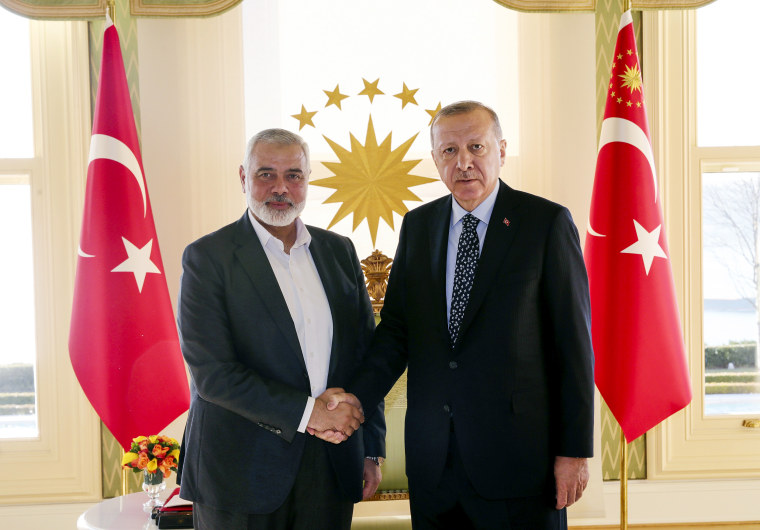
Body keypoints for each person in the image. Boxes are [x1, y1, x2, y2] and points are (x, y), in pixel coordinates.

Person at [322, 101, 594, 529]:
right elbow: (395, 334)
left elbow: (574, 347)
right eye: (449, 151)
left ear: (501, 150)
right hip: (434, 467)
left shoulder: (545, 224)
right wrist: (354, 398)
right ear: (435, 159)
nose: (464, 163)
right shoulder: (418, 227)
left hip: (520, 465)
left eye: (476, 147)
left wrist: (574, 452)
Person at [176, 128, 386, 530]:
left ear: (308, 180)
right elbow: (213, 375)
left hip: (331, 466)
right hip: (239, 472)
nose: (280, 187)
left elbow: (366, 355)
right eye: (266, 174)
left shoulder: (339, 251)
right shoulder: (208, 258)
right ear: (243, 177)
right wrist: (311, 414)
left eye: (293, 175)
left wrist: (370, 448)